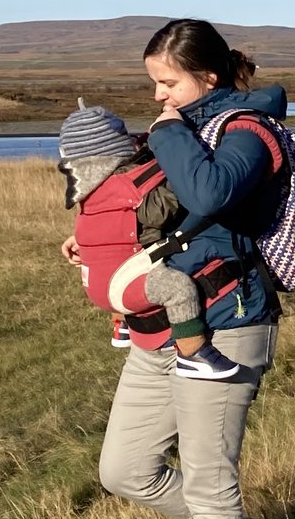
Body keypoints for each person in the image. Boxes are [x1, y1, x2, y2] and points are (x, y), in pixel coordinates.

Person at [68, 18, 290, 519]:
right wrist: (97, 244)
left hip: (227, 325)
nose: (158, 97)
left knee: (208, 478)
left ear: (208, 76)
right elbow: (147, 205)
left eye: (167, 83)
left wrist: (166, 134)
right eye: (154, 85)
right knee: (123, 470)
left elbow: (211, 191)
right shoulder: (181, 131)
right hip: (159, 328)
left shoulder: (249, 132)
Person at [58, 102, 247, 380]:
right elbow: (159, 211)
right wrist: (180, 176)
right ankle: (192, 352)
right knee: (177, 289)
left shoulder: (93, 189)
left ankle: (122, 324)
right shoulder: (128, 187)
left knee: (129, 266)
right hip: (120, 285)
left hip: (99, 280)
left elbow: (109, 229)